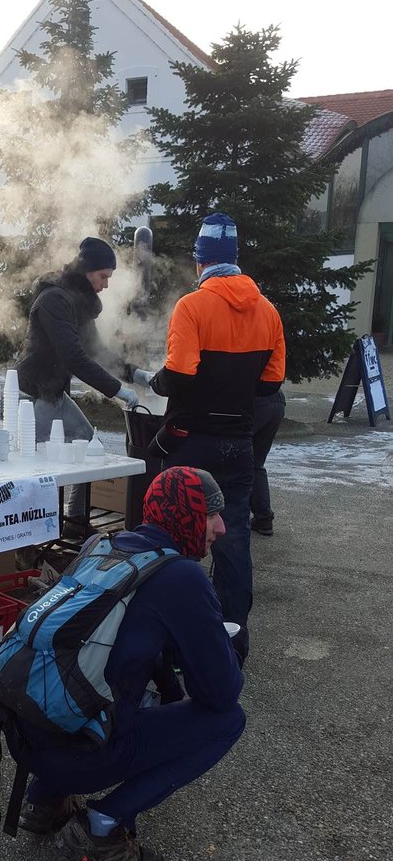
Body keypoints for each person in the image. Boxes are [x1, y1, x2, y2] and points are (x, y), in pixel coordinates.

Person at [10, 466, 245, 861]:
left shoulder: (103, 546)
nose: (222, 527)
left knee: (113, 684)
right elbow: (221, 694)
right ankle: (101, 825)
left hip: (25, 739)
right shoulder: (182, 576)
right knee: (228, 722)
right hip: (82, 752)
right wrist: (224, 645)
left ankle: (44, 800)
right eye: (211, 514)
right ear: (187, 516)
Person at [137, 213, 285, 663]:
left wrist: (155, 382)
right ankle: (232, 646)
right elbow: (270, 383)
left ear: (200, 262)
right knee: (232, 543)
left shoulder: (192, 307)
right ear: (235, 260)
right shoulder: (268, 310)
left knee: (172, 542)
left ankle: (176, 646)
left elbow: (180, 372)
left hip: (190, 442)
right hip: (238, 445)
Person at [17, 236, 139, 523]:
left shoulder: (76, 301)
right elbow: (74, 357)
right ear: (87, 270)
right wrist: (118, 391)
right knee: (33, 469)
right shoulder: (55, 300)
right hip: (33, 395)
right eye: (103, 276)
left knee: (86, 442)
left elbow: (96, 350)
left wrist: (136, 375)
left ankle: (74, 519)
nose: (106, 284)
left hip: (53, 391)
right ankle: (29, 536)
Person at [251, 389, 286, 535]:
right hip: (275, 400)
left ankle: (227, 519)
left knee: (231, 460)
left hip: (250, 402)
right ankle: (264, 518)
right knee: (256, 464)